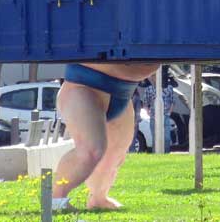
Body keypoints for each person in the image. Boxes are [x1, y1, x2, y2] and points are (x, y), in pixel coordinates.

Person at [51, 62, 159, 211]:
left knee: (114, 155)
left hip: (124, 92)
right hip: (83, 87)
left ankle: (98, 198)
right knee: (90, 149)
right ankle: (55, 199)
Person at [142, 69, 176, 153]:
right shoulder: (149, 89)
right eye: (153, 76)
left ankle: (166, 153)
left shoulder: (169, 88)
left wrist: (169, 113)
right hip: (154, 117)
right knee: (155, 137)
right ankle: (156, 153)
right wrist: (148, 112)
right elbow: (145, 103)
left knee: (167, 138)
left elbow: (172, 102)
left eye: (155, 76)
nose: (154, 78)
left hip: (165, 116)